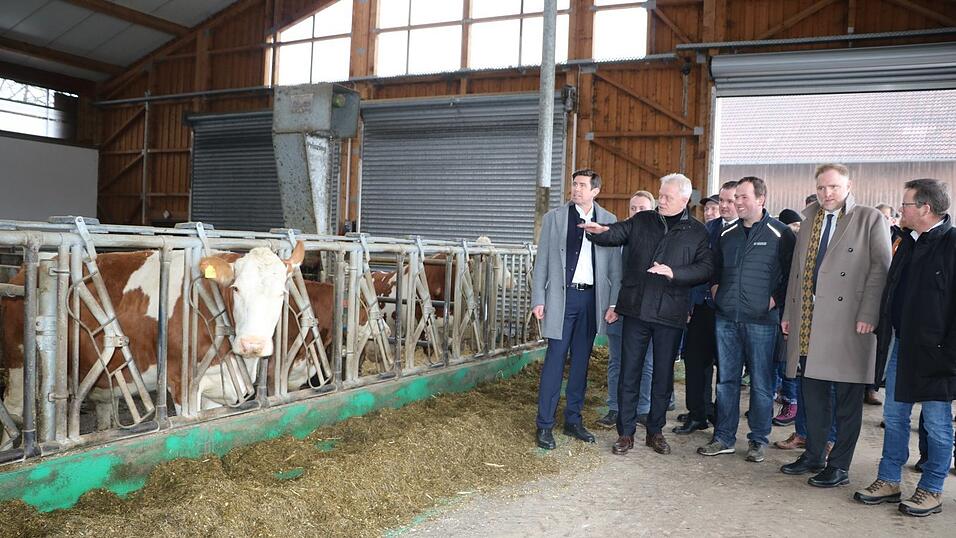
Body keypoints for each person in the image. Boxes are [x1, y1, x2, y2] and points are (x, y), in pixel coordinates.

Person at [582, 173, 714, 455]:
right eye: (660, 194)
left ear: (684, 200)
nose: (661, 200)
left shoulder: (697, 232)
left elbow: (705, 269)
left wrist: (674, 273)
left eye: (667, 197)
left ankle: (655, 431)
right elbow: (618, 232)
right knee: (629, 371)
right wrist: (600, 231)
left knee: (662, 376)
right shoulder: (643, 220)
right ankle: (626, 433)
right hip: (637, 308)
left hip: (670, 313)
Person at [779, 163, 891, 487]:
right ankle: (814, 454)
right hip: (808, 321)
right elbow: (796, 273)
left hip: (850, 322)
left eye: (833, 187)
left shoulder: (870, 218)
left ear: (848, 186)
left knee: (846, 398)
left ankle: (839, 464)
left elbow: (880, 270)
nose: (827, 194)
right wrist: (789, 311)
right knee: (811, 393)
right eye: (821, 188)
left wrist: (869, 314)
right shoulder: (809, 216)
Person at [854, 178, 956, 517]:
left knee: (937, 423)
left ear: (926, 208)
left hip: (937, 353)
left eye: (907, 204)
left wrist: (949, 354)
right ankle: (889, 479)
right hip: (901, 344)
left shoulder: (952, 245)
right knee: (894, 415)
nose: (902, 210)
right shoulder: (909, 242)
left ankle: (932, 488)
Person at [697, 177, 795, 463]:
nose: (737, 202)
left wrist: (773, 300)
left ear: (761, 199)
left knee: (762, 383)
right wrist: (717, 294)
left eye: (743, 197)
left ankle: (758, 440)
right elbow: (714, 270)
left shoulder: (781, 233)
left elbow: (792, 276)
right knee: (726, 380)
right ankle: (724, 437)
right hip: (726, 318)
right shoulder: (728, 235)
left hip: (762, 321)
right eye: (735, 197)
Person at [532, 168, 622, 450]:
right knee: (555, 361)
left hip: (591, 299)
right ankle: (544, 425)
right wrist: (539, 299)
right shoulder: (555, 219)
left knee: (581, 363)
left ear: (595, 191)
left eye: (583, 185)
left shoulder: (608, 220)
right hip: (562, 298)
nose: (577, 189)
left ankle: (573, 420)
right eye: (574, 184)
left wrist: (613, 302)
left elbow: (616, 267)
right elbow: (543, 261)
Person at [674, 181, 738, 435]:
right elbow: (693, 267)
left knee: (727, 367)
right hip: (702, 306)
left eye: (730, 201)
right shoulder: (706, 230)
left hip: (731, 311)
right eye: (721, 200)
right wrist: (689, 304)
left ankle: (723, 420)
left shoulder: (748, 232)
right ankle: (698, 413)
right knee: (695, 361)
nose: (724, 205)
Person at [597, 190, 655, 428]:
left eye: (642, 208)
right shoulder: (618, 239)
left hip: (646, 311)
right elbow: (611, 275)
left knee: (646, 361)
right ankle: (614, 408)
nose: (637, 213)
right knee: (616, 361)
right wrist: (613, 304)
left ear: (652, 211)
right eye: (633, 208)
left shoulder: (659, 239)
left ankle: (642, 409)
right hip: (617, 309)